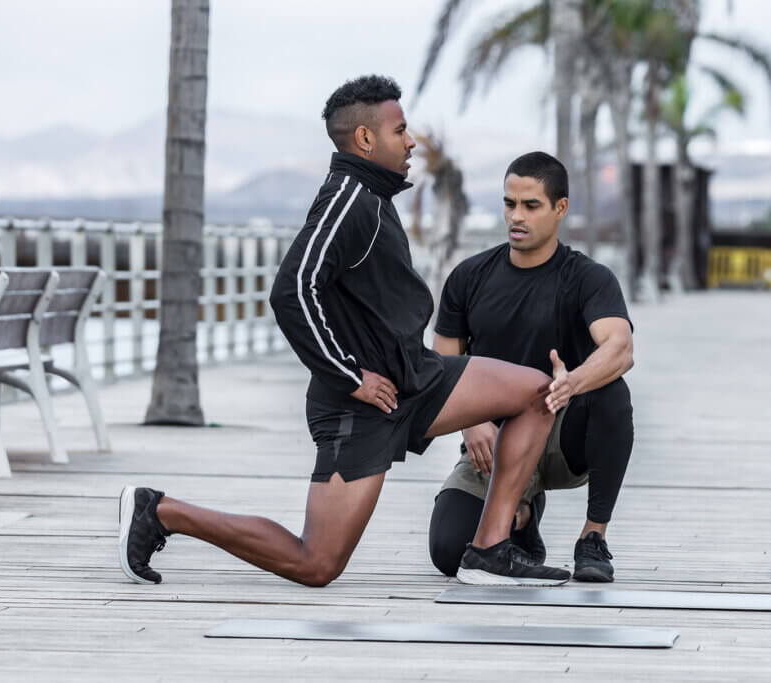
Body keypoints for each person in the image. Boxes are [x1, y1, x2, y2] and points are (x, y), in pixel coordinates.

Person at [118, 75, 571, 588]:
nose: (411, 142)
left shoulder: (373, 197)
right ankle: (162, 511)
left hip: (413, 378)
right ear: (365, 139)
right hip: (360, 405)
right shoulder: (348, 200)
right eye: (400, 131)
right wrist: (350, 376)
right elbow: (292, 290)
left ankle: (488, 550)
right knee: (316, 563)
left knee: (537, 391)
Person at [428, 152, 635, 582]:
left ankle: (592, 537)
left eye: (531, 205)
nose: (516, 216)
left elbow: (620, 348)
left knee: (612, 393)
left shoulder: (588, 278)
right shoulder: (468, 277)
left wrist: (572, 383)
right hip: (491, 447)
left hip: (560, 437)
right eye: (509, 204)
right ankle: (520, 517)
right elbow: (441, 367)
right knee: (449, 551)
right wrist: (471, 424)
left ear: (560, 208)